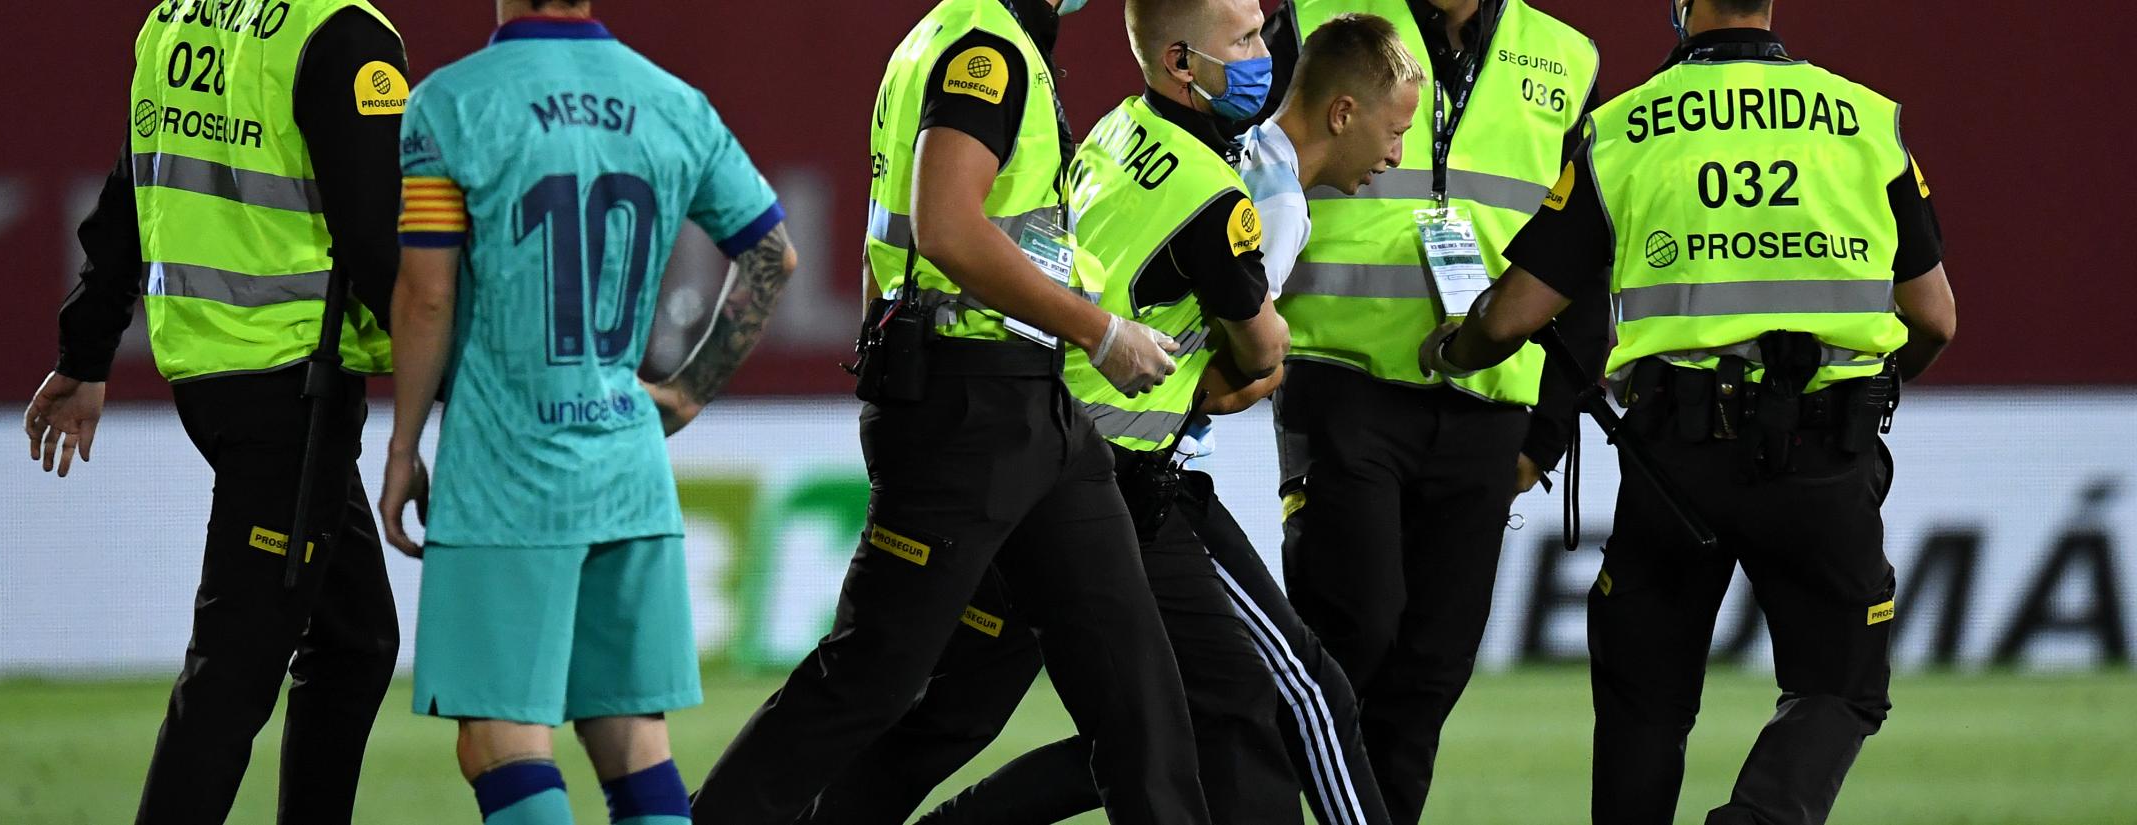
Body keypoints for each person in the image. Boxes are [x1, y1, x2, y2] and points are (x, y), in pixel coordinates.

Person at [790, 12, 1425, 825]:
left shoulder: (1121, 125)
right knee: (1276, 695)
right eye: (1245, 41)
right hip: (1115, 473)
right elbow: (1244, 362)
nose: (1398, 153)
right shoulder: (1238, 195)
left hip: (1041, 440)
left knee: (982, 712)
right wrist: (1263, 352)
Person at [1419, 1, 1958, 822]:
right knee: (1839, 687)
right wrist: (1874, 386)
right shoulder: (1865, 121)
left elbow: (1514, 316)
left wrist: (1451, 352)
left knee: (1644, 708)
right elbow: (1937, 318)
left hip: (1676, 459)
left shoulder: (1625, 129)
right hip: (1824, 451)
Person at [686, 1, 1214, 823]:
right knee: (875, 674)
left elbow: (892, 238)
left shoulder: (947, 38)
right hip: (970, 405)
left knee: (1136, 690)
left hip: (1027, 400)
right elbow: (946, 228)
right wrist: (1102, 331)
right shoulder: (987, 52)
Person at [375, 2, 797, 824]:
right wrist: (686, 391)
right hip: (628, 469)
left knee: (499, 742)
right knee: (635, 745)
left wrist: (402, 445)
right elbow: (774, 255)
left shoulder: (450, 103)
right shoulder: (673, 101)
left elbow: (427, 296)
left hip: (507, 471)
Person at [21, 1, 409, 821]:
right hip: (291, 383)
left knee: (355, 641)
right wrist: (457, 374)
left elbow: (133, 183)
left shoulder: (176, 18)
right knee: (234, 672)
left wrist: (87, 348)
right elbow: (379, 245)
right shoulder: (341, 33)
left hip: (210, 370)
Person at [1248, 0, 1605, 818]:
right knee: (1353, 630)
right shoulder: (1318, 17)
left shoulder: (1566, 57)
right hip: (1341, 381)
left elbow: (1590, 250)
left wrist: (1546, 431)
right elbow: (1239, 165)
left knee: (1431, 670)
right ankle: (1243, 793)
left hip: (1490, 409)